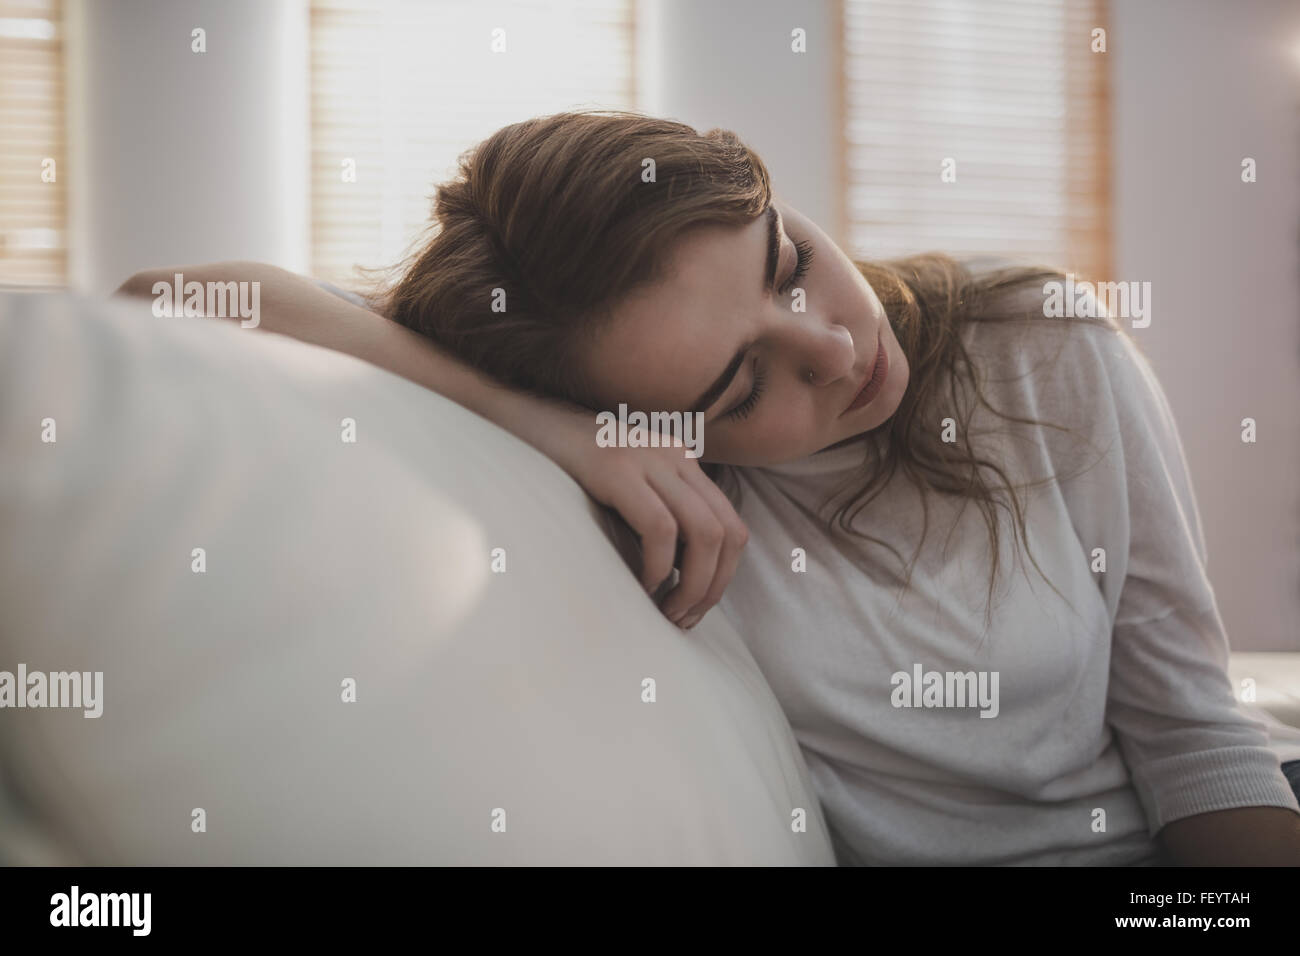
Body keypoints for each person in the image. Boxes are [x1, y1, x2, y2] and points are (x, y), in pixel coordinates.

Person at [115, 109, 1300, 865]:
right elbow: (166, 300)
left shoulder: (1037, 339)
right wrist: (542, 424)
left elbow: (1192, 727)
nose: (833, 344)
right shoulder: (644, 484)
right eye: (740, 384)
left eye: (788, 262)